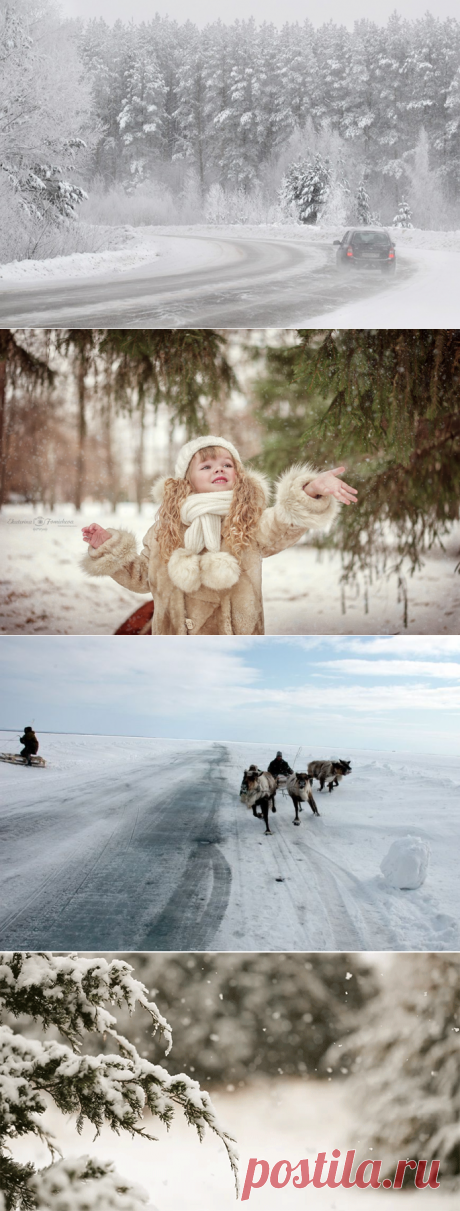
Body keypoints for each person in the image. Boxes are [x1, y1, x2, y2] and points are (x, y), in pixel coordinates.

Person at [82, 436, 357, 636]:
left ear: (238, 475)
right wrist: (109, 547)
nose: (219, 469)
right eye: (206, 466)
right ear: (186, 481)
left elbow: (281, 523)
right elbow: (143, 577)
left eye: (227, 464)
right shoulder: (165, 529)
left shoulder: (247, 521)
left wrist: (310, 491)